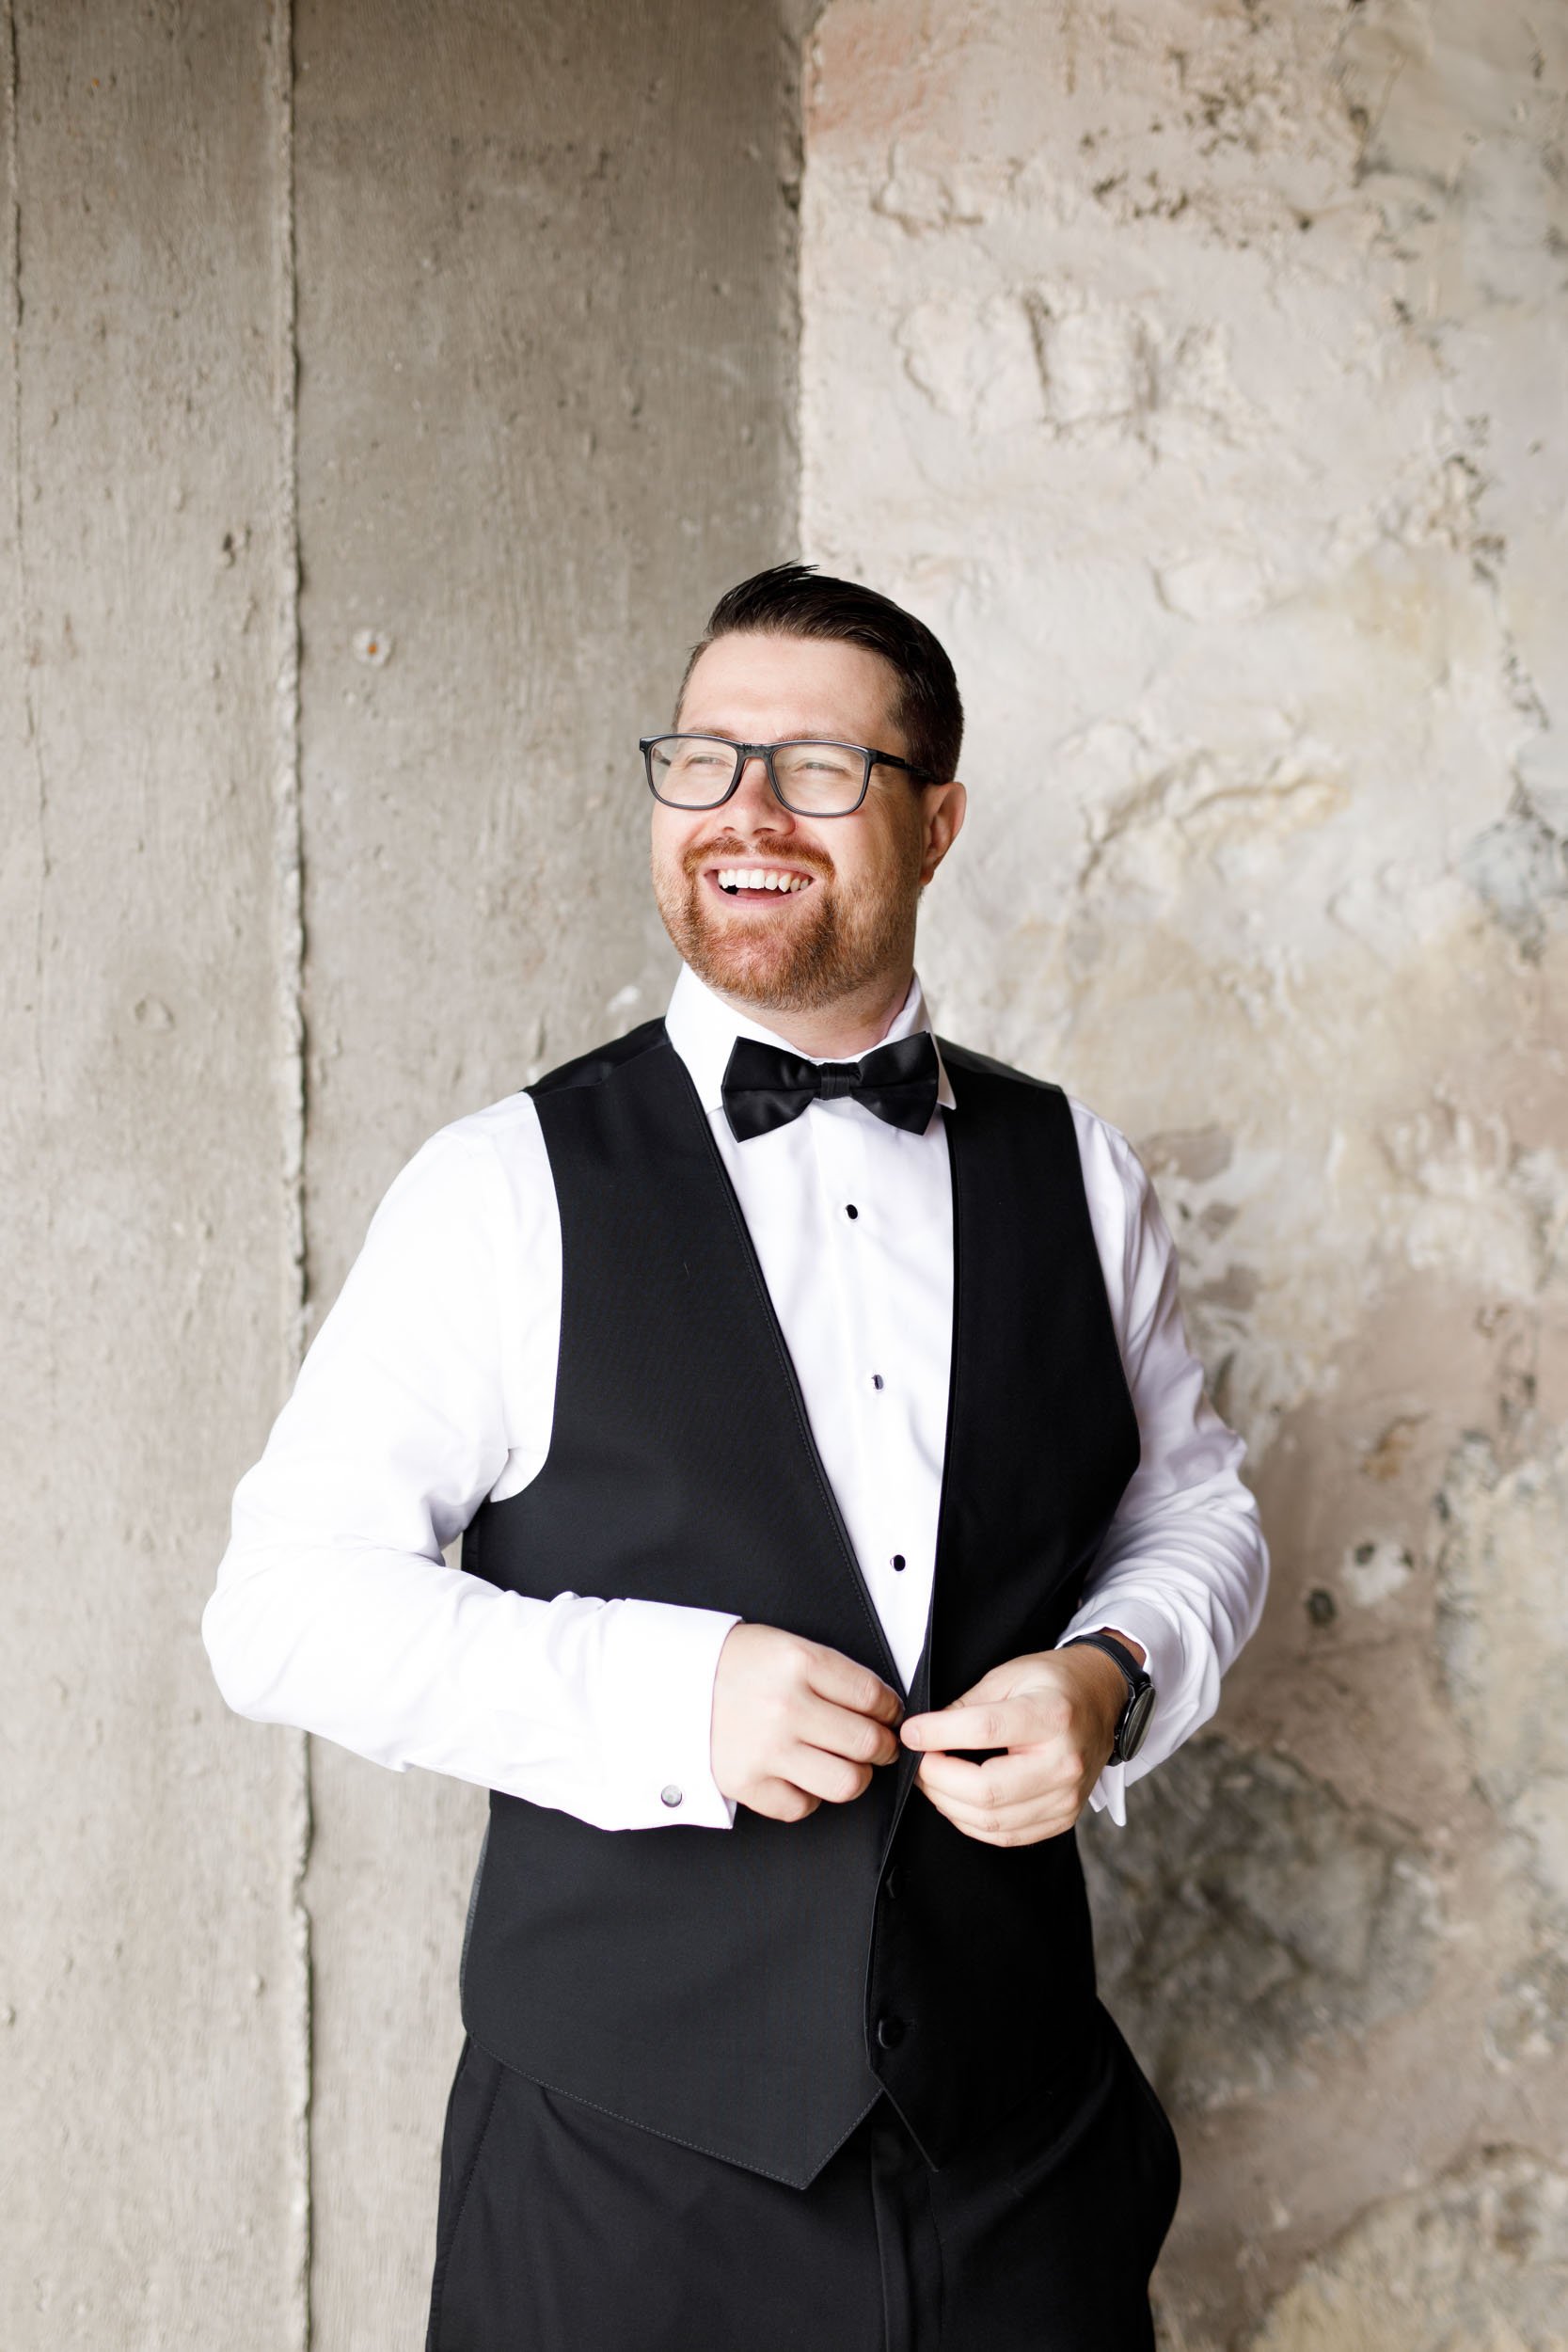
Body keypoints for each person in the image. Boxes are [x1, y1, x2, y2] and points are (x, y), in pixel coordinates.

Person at [203, 564, 1268, 2352]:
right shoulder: (502, 1188)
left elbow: (1192, 1506)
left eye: (818, 770)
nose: (745, 814)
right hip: (620, 2195)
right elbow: (281, 1608)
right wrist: (667, 1697)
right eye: (702, 761)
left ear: (936, 822)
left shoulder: (1078, 1170)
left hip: (1022, 2173)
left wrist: (1115, 1674)